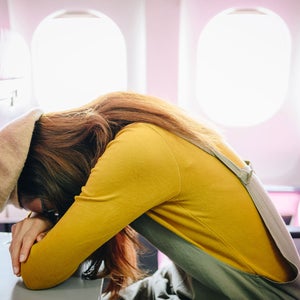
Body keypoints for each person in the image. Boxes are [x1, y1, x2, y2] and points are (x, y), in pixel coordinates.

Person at [1, 91, 299, 299]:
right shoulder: (128, 128)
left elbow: (38, 274)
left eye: (39, 204)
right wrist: (42, 218)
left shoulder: (136, 153)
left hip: (248, 294)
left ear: (49, 176)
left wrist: (43, 223)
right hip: (194, 282)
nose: (51, 209)